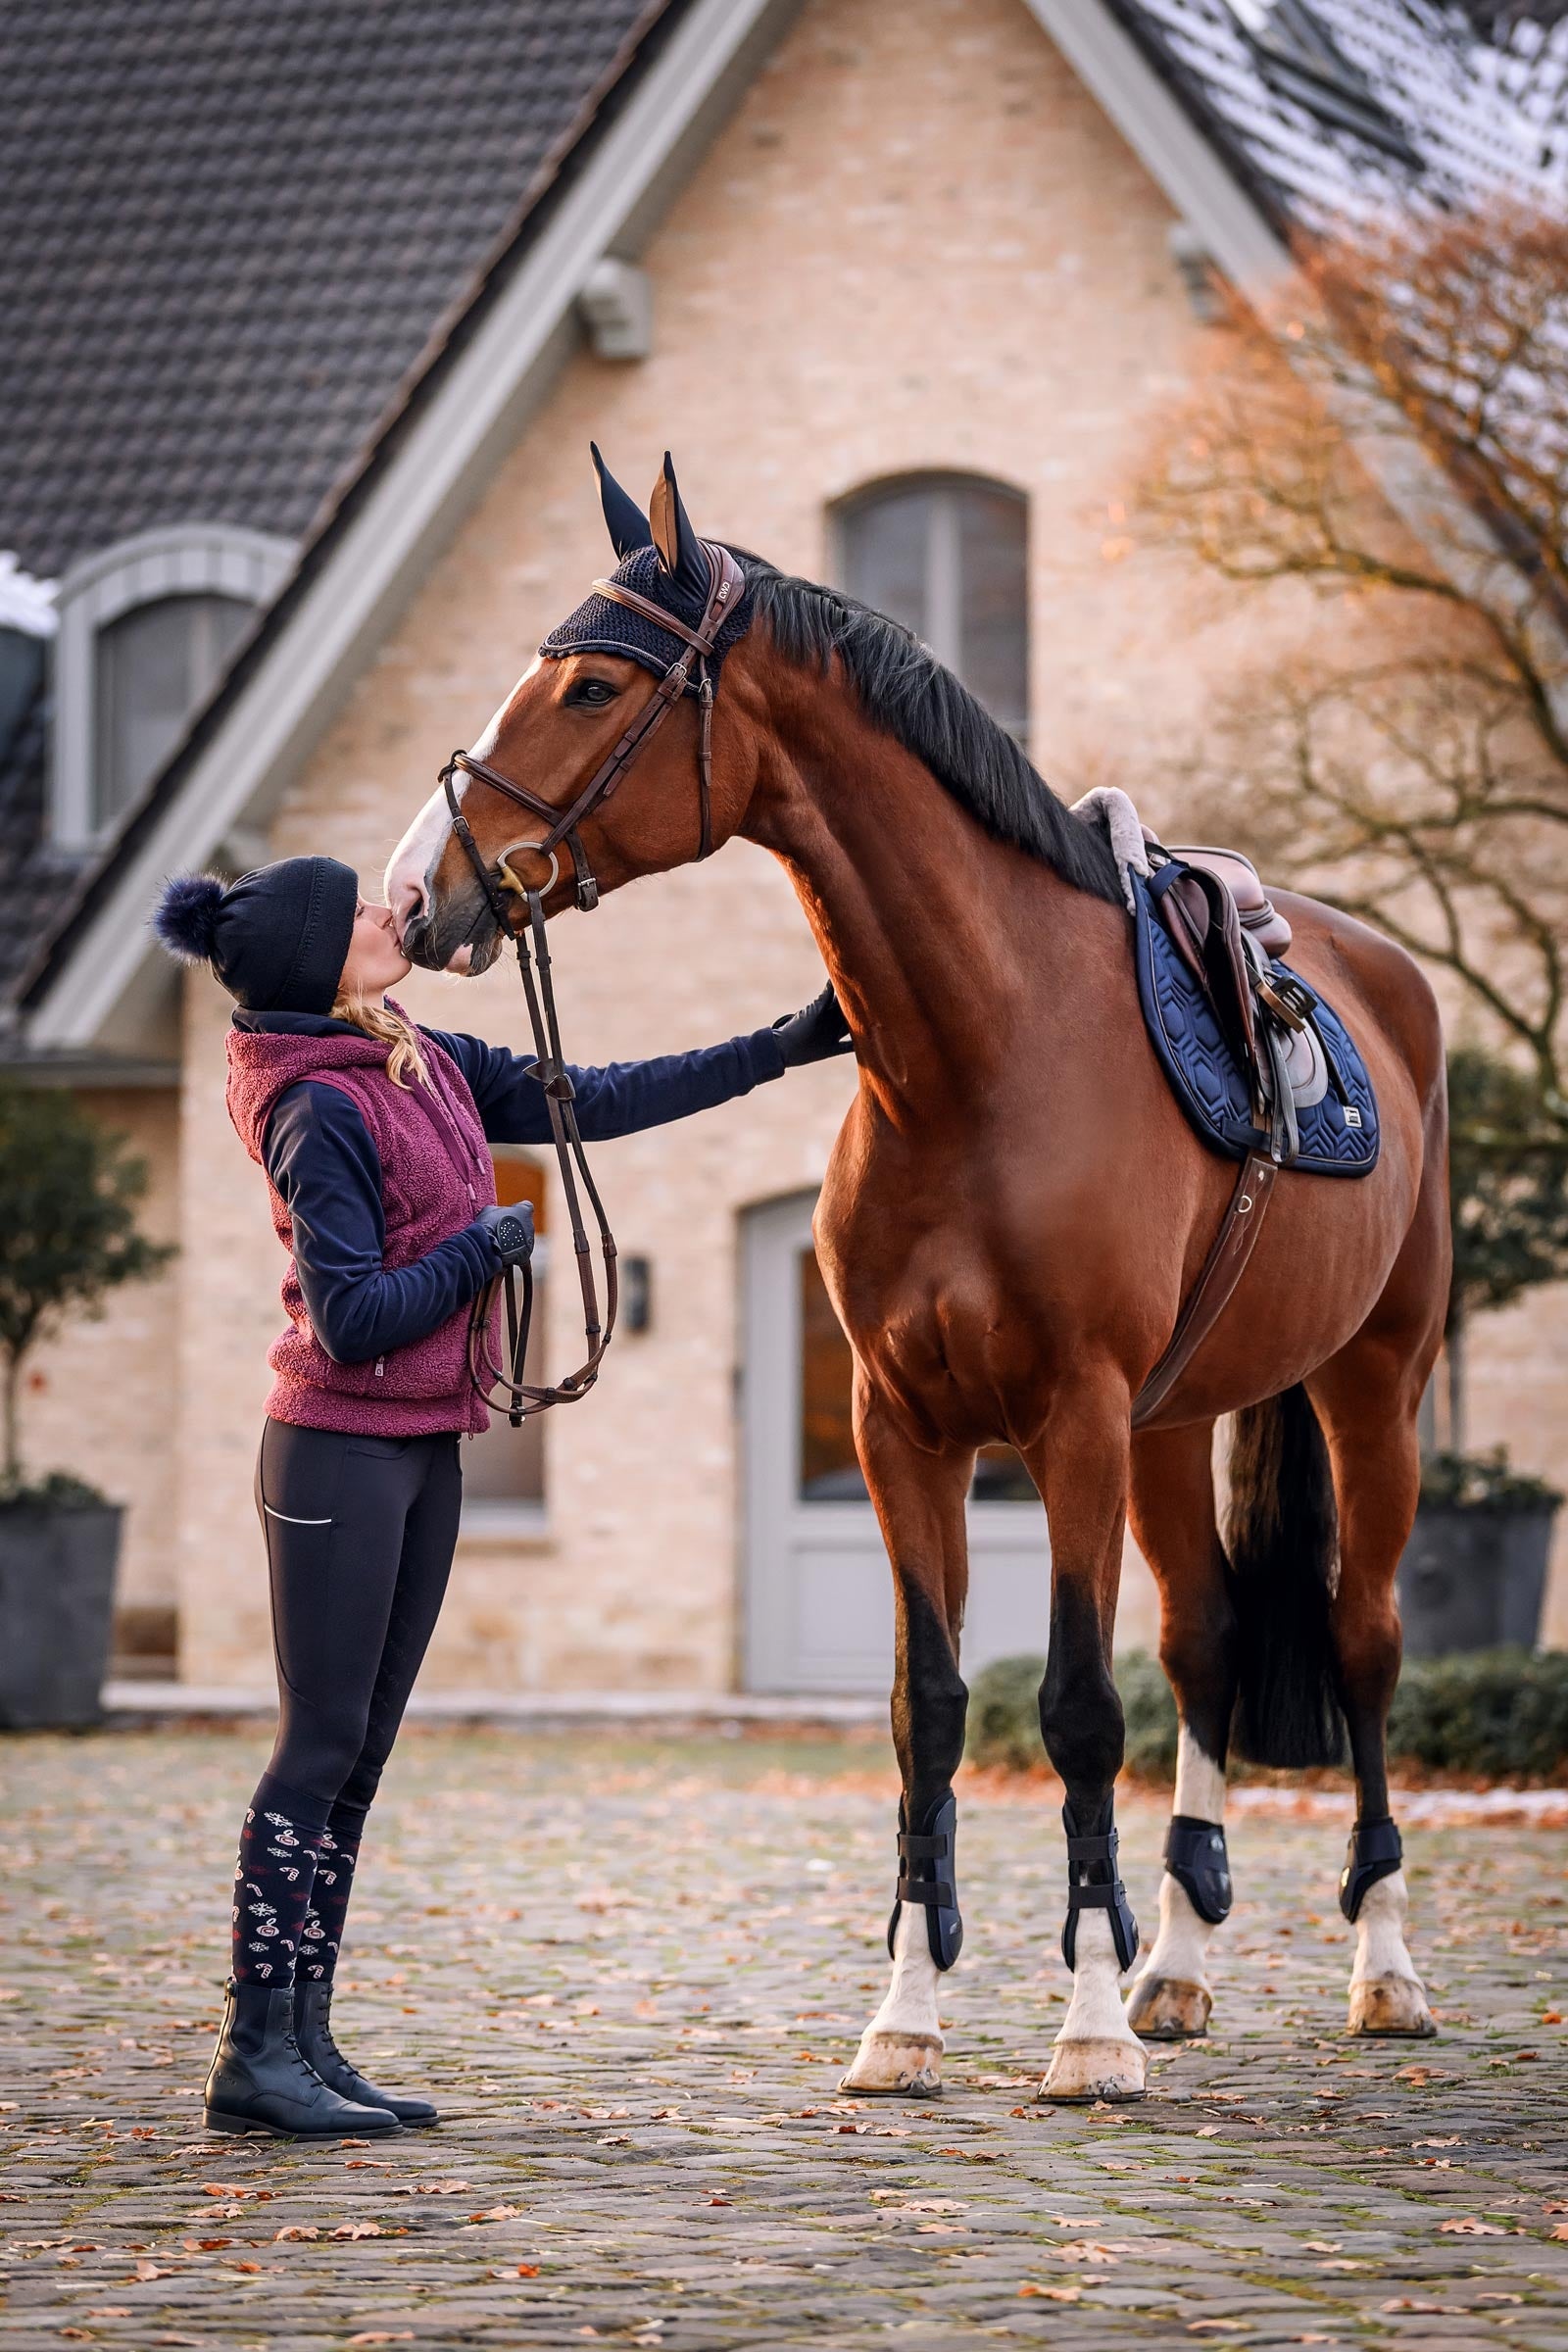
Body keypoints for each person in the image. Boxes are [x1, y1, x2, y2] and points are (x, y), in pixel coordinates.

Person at [153, 855, 851, 2136]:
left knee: (356, 1755)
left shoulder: (407, 1053)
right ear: (319, 961)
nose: (387, 912)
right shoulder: (320, 1108)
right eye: (359, 908)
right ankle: (256, 2052)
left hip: (422, 1444)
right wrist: (484, 1247)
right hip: (338, 1450)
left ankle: (306, 2043)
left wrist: (782, 1048)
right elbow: (355, 1317)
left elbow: (589, 1097)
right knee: (317, 1749)